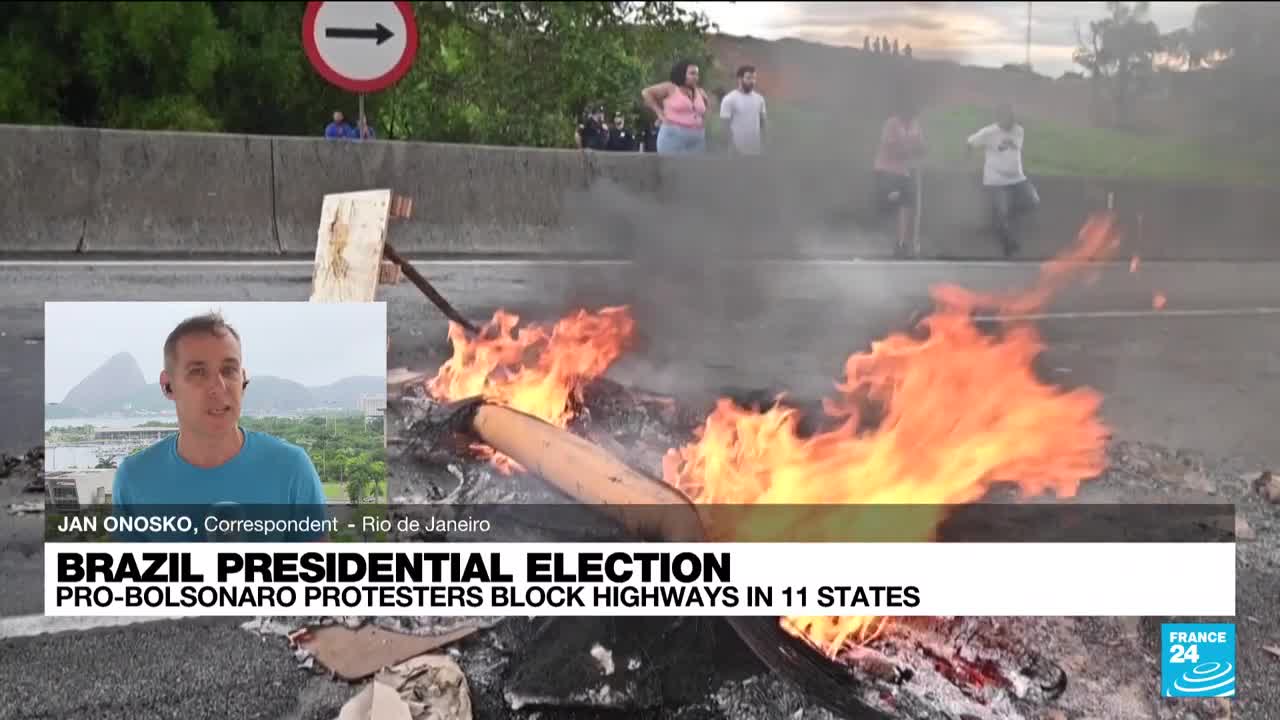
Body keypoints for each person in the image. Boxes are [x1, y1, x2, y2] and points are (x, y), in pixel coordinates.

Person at [111, 312, 327, 541]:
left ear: (243, 381)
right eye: (198, 372)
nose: (218, 386)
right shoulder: (134, 478)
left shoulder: (291, 469)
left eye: (229, 370)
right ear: (168, 386)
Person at [966, 103, 1039, 256]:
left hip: (1018, 178)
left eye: (1012, 118)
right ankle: (1008, 245)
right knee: (1001, 213)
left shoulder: (1019, 131)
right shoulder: (988, 132)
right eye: (1007, 118)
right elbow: (970, 143)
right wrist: (967, 161)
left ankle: (1007, 218)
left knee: (1033, 201)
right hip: (996, 180)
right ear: (999, 117)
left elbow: (1015, 149)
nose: (1010, 122)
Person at [873, 94, 927, 257]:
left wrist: (921, 150)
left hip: (903, 171)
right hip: (886, 169)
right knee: (893, 203)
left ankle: (901, 242)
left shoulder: (915, 124)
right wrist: (909, 151)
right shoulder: (892, 124)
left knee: (906, 205)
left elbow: (921, 144)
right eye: (910, 110)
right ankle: (892, 239)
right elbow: (890, 147)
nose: (912, 114)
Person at [641, 60, 710, 155]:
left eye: (697, 74)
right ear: (682, 74)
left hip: (697, 137)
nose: (696, 77)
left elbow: (706, 110)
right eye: (692, 73)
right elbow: (646, 93)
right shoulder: (670, 88)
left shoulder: (701, 92)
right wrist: (659, 113)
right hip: (673, 135)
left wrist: (703, 122)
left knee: (694, 168)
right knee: (672, 167)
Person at [719, 65, 768, 156]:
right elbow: (724, 126)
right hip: (736, 151)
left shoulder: (760, 99)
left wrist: (764, 144)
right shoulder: (729, 99)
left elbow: (763, 123)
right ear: (740, 79)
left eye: (754, 78)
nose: (752, 81)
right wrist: (731, 146)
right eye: (749, 78)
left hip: (755, 150)